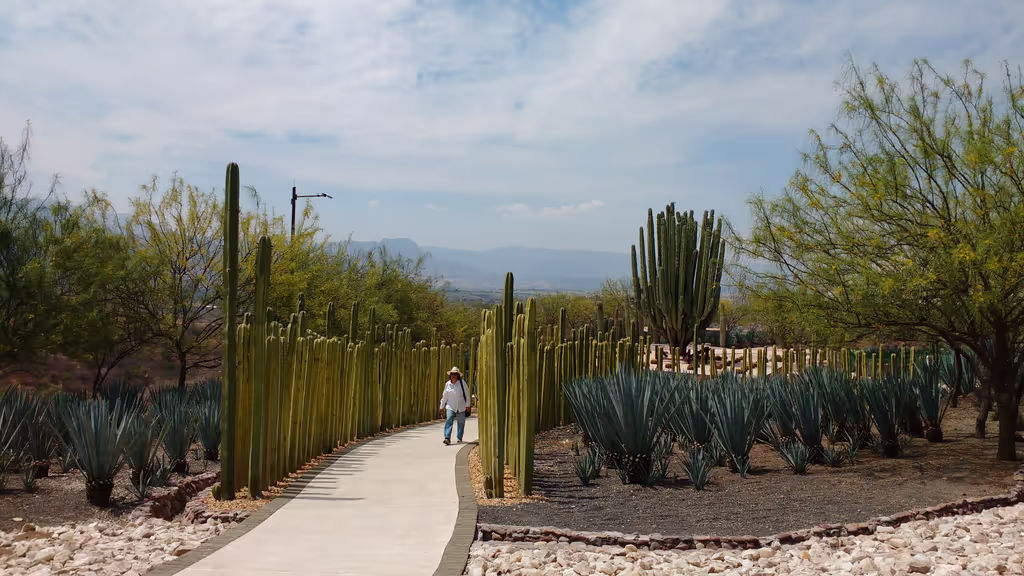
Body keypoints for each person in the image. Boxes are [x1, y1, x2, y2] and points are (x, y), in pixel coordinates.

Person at [439, 366, 470, 445]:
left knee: (461, 422)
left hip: (461, 406)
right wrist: (441, 406)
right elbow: (445, 396)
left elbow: (467, 394)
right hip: (450, 406)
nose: (453, 376)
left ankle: (459, 437)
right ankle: (447, 437)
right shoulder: (448, 384)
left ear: (458, 375)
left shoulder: (462, 383)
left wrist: (468, 405)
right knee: (449, 420)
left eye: (455, 374)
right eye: (452, 374)